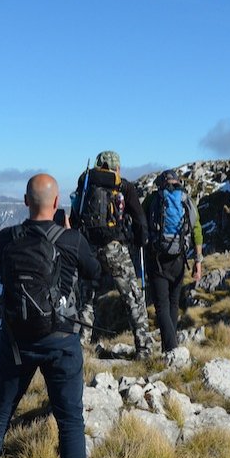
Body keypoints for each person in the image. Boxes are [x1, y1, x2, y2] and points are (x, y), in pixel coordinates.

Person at [0, 173, 100, 458]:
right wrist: (74, 235)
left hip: (17, 341)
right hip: (61, 340)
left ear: (26, 201)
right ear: (57, 203)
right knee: (70, 418)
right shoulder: (72, 239)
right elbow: (94, 271)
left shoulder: (7, 237)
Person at [72, 150, 153, 359]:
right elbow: (139, 221)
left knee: (87, 299)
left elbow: (75, 216)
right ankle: (144, 347)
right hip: (114, 247)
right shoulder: (123, 186)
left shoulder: (86, 183)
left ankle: (80, 347)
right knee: (132, 296)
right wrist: (138, 241)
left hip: (88, 247)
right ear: (116, 167)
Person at [142, 169, 204, 353]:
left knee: (161, 305)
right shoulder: (187, 200)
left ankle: (170, 348)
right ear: (177, 182)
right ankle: (170, 347)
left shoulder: (153, 199)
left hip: (157, 258)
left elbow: (141, 222)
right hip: (179, 258)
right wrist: (198, 262)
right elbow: (197, 230)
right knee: (174, 302)